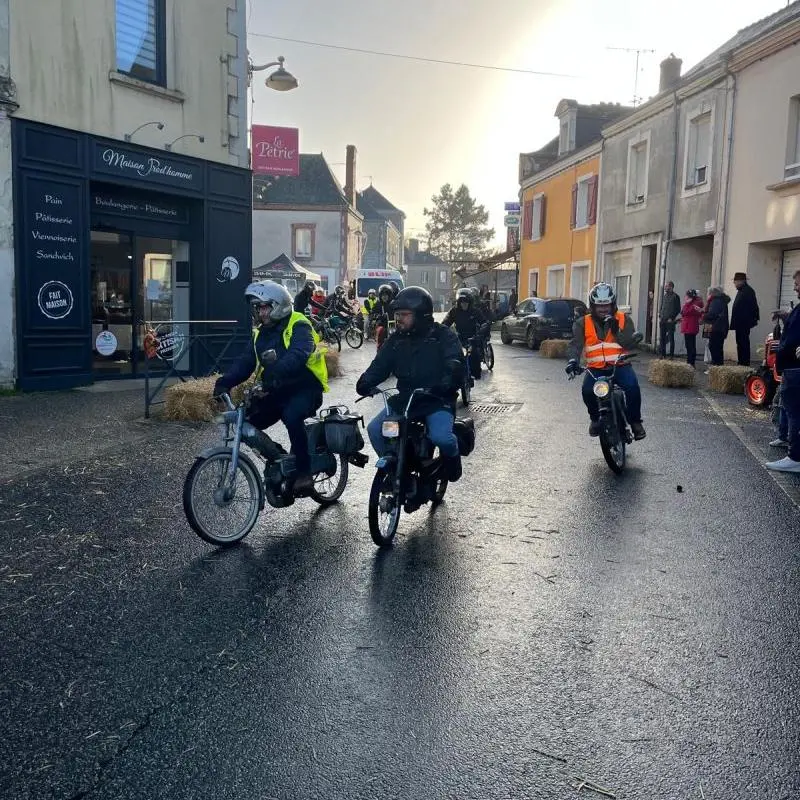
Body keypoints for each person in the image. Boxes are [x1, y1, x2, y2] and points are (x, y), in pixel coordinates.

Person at [213, 280, 328, 493]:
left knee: (292, 416)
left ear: (278, 305)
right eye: (257, 308)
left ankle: (304, 472)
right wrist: (224, 383)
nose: (260, 313)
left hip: (306, 387)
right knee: (246, 423)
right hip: (277, 389)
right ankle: (280, 458)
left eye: (264, 307)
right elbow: (245, 362)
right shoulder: (260, 334)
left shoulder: (299, 324)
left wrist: (274, 373)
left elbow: (298, 354)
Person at [356, 286, 464, 481]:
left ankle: (453, 460)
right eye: (397, 314)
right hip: (406, 400)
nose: (399, 319)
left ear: (421, 314)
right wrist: (365, 382)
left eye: (405, 315)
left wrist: (448, 381)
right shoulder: (396, 340)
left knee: (441, 437)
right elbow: (380, 365)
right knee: (375, 430)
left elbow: (455, 361)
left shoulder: (443, 336)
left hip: (437, 399)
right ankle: (397, 469)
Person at [565, 282, 646, 440]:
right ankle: (595, 419)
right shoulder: (582, 322)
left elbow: (629, 344)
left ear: (613, 304)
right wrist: (572, 361)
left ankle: (635, 422)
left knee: (632, 388)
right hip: (596, 368)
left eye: (607, 305)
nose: (603, 309)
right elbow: (575, 345)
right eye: (599, 306)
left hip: (620, 365)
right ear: (592, 305)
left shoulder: (623, 319)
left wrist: (616, 331)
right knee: (587, 391)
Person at [766, 269, 800, 472]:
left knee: (795, 412)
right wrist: (786, 316)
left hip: (796, 369)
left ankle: (795, 457)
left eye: (797, 284)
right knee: (789, 408)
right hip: (791, 367)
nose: (795, 288)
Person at [442, 287, 490, 380]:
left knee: (475, 356)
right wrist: (442, 331)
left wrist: (481, 332)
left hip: (473, 338)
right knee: (451, 356)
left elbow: (484, 322)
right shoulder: (454, 311)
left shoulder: (475, 311)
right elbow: (445, 323)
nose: (464, 304)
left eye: (466, 302)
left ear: (470, 302)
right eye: (462, 302)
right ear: (458, 302)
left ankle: (475, 373)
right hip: (458, 338)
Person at [730, 271, 760, 366]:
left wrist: (750, 320)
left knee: (743, 343)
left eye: (735, 281)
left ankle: (744, 363)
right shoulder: (742, 290)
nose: (734, 284)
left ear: (741, 281)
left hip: (743, 323)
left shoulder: (747, 291)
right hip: (740, 322)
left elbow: (752, 307)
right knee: (740, 343)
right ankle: (741, 362)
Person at [702, 287, 730, 367]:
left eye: (709, 293)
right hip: (721, 327)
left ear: (713, 294)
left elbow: (712, 314)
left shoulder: (716, 301)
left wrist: (704, 316)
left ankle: (716, 366)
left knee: (714, 347)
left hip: (716, 327)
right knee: (718, 348)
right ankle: (718, 366)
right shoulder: (721, 300)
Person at [679, 289, 704, 368]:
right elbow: (682, 312)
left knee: (690, 346)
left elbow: (685, 312)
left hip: (690, 326)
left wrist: (687, 304)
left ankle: (691, 362)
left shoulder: (694, 304)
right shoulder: (693, 303)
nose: (685, 297)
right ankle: (689, 362)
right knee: (689, 345)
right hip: (688, 326)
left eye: (686, 296)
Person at [659, 281, 681, 359]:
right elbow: (662, 306)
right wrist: (660, 315)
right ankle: (663, 354)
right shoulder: (664, 296)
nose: (665, 287)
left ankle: (671, 355)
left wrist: (672, 318)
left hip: (670, 320)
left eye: (666, 286)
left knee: (671, 338)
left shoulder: (676, 296)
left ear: (671, 287)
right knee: (662, 338)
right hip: (663, 319)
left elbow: (678, 309)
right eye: (665, 286)